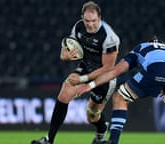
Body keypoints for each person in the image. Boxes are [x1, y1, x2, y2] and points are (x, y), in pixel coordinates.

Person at [31, 1, 120, 144]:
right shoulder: (79, 26)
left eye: (93, 21)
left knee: (92, 115)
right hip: (85, 67)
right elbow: (68, 46)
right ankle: (49, 140)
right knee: (64, 94)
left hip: (104, 77)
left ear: (100, 18)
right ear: (82, 18)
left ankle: (102, 129)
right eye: (87, 21)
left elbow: (108, 68)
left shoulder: (109, 37)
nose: (90, 24)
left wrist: (84, 79)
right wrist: (64, 56)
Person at [76, 36, 165, 144]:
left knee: (120, 97)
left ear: (149, 42)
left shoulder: (140, 48)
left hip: (155, 70)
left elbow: (115, 72)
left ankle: (114, 141)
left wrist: (91, 84)